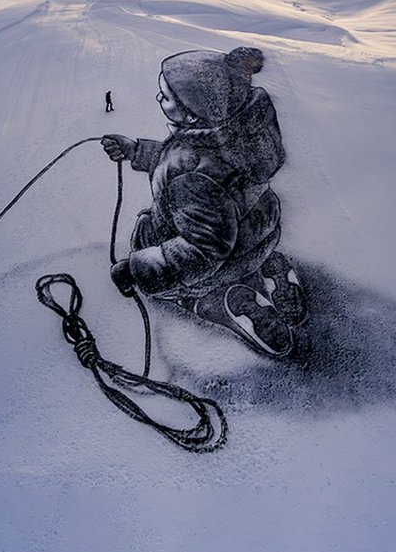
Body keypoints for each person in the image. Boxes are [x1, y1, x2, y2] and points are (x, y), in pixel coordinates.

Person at [101, 46, 306, 357]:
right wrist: (138, 151)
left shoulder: (192, 177)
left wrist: (136, 269)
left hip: (224, 258)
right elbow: (197, 163)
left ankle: (216, 303)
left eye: (165, 96)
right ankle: (269, 265)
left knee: (174, 287)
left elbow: (203, 248)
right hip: (260, 232)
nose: (158, 98)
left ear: (191, 114)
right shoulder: (240, 131)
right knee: (240, 245)